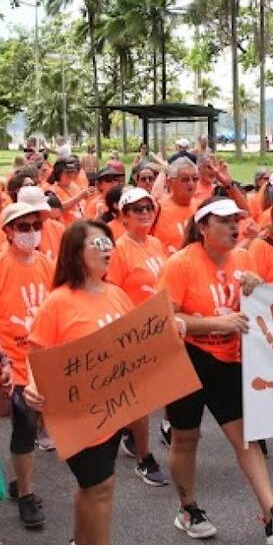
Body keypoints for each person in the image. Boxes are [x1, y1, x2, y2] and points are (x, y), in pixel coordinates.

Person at [159, 198, 273, 544]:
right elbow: (166, 320)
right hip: (186, 359)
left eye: (237, 221)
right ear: (202, 227)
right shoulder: (180, 264)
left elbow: (263, 297)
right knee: (186, 438)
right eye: (225, 221)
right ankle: (188, 508)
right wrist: (217, 322)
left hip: (227, 360)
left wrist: (259, 288)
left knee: (246, 438)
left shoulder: (243, 258)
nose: (235, 227)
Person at [23, 219, 139, 545]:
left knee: (91, 486)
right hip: (75, 415)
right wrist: (34, 387)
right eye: (97, 244)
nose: (107, 250)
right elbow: (36, 355)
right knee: (102, 485)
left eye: (109, 243)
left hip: (113, 410)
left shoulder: (117, 295)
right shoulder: (58, 302)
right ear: (76, 253)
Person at [0, 195, 56, 530]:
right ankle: (26, 494)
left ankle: (19, 481)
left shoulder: (46, 264)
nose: (32, 232)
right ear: (8, 231)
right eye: (24, 227)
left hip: (41, 362)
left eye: (37, 226)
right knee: (24, 427)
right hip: (12, 364)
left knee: (30, 426)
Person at [101, 186, 171, 486]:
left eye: (148, 208)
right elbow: (110, 292)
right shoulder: (118, 250)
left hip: (158, 327)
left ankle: (130, 429)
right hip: (131, 331)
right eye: (137, 209)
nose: (144, 213)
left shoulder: (156, 244)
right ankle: (144, 457)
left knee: (159, 391)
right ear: (123, 215)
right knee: (140, 398)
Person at [152, 158, 202, 253]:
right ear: (169, 182)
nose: (191, 184)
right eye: (185, 179)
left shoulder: (202, 207)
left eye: (195, 179)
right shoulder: (157, 209)